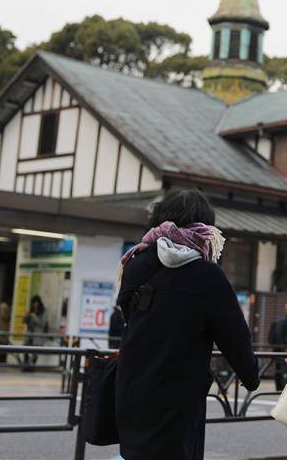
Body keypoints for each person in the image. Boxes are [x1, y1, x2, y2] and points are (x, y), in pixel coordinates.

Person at [115, 189, 260, 460]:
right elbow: (233, 334)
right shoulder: (207, 276)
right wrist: (250, 375)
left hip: (132, 386)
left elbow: (126, 311)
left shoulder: (136, 262)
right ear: (203, 226)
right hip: (177, 396)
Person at [267, 302, 287, 390]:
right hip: (283, 350)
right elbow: (279, 336)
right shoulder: (282, 322)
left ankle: (284, 387)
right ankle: (281, 387)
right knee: (281, 369)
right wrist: (284, 348)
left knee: (286, 369)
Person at [22, 295, 48, 371]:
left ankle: (31, 367)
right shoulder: (31, 310)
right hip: (29, 334)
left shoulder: (43, 311)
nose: (34, 305)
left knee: (35, 352)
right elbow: (24, 322)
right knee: (25, 349)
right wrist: (25, 317)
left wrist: (33, 316)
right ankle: (25, 366)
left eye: (36, 303)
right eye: (33, 303)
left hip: (37, 335)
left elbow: (42, 324)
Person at [0, 297, 11, 362]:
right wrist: (10, 316)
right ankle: (0, 358)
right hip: (3, 328)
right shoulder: (4, 306)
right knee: (3, 344)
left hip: (0, 327)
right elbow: (4, 316)